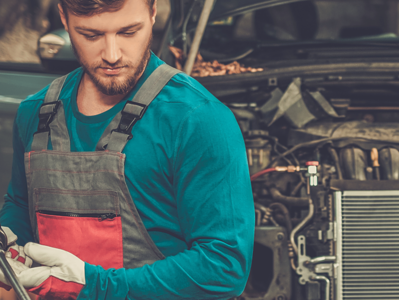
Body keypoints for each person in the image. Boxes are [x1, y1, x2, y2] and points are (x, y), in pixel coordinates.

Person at [0, 0, 255, 299]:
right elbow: (21, 206)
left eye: (128, 32)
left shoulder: (196, 118)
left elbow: (223, 266)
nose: (111, 55)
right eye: (91, 35)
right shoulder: (35, 112)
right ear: (63, 19)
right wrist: (7, 240)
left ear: (153, 12)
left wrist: (94, 285)